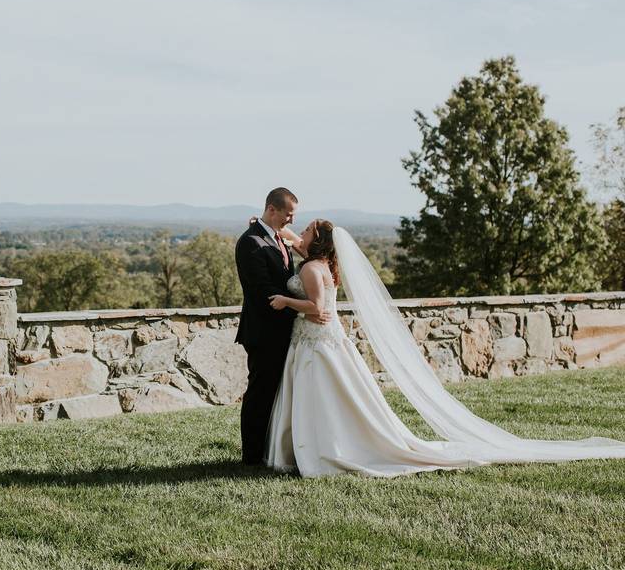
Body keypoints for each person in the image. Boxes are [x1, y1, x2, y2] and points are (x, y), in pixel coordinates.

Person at [263, 219, 625, 477]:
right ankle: (324, 445)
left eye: (308, 229)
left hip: (318, 344)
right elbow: (298, 242)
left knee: (324, 399)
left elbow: (321, 310)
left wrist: (285, 300)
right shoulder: (322, 263)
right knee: (335, 400)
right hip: (320, 344)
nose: (302, 232)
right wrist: (279, 230)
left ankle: (325, 450)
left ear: (319, 242)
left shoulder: (311, 269)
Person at [233, 188, 331, 465]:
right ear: (271, 209)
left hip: (285, 332)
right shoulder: (251, 243)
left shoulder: (277, 238)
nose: (291, 220)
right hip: (264, 333)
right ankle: (251, 457)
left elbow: (305, 252)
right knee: (259, 394)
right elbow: (262, 292)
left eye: (293, 215)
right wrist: (302, 313)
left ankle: (272, 451)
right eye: (288, 214)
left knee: (279, 395)